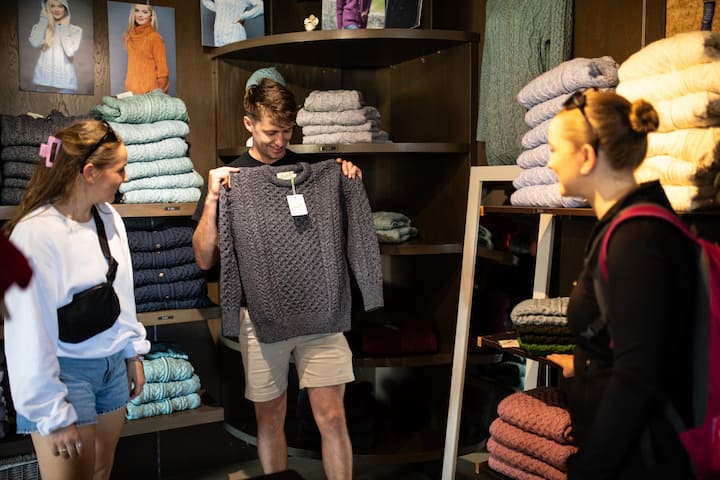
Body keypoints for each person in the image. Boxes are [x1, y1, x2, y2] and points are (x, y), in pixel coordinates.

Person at [192, 69, 363, 480]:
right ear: (248, 123)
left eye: (287, 131)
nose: (280, 141)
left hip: (320, 313)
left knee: (332, 416)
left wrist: (346, 177)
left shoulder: (313, 175)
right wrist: (213, 198)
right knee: (270, 419)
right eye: (271, 131)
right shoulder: (230, 180)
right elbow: (203, 259)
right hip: (262, 316)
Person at [545, 89, 696, 479]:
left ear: (586, 157)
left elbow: (638, 377)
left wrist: (589, 470)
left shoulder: (637, 239)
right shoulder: (625, 229)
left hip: (643, 462)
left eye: (555, 149)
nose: (550, 162)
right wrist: (586, 363)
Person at [3, 119, 150, 480]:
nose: (126, 178)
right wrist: (51, 412)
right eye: (120, 169)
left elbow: (122, 292)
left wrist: (131, 352)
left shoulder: (108, 218)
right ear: (89, 172)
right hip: (65, 374)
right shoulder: (35, 234)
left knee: (101, 470)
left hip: (111, 368)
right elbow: (26, 335)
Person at [28, 0, 82, 93]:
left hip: (66, 83)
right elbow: (35, 43)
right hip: (42, 81)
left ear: (65, 9)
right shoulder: (41, 27)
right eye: (52, 6)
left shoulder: (75, 30)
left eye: (60, 6)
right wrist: (43, 20)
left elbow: (70, 52)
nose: (56, 9)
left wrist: (64, 28)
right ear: (47, 8)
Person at [123, 3, 169, 94]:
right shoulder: (128, 37)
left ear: (151, 15)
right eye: (137, 10)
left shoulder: (155, 38)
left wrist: (156, 95)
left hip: (149, 93)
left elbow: (163, 73)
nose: (140, 15)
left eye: (145, 12)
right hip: (130, 92)